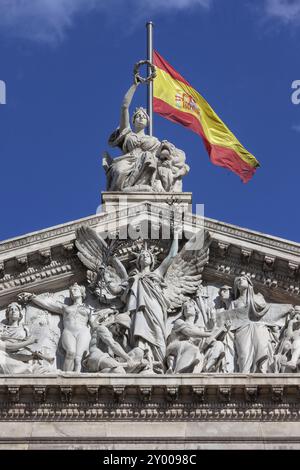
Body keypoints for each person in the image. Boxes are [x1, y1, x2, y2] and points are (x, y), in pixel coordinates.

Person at [20, 283, 92, 372]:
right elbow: (47, 304)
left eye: (75, 290)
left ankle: (77, 377)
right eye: (71, 291)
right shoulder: (65, 308)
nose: (72, 292)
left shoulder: (88, 309)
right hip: (69, 331)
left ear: (81, 293)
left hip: (82, 331)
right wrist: (32, 297)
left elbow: (94, 324)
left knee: (78, 358)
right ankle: (67, 377)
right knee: (70, 353)